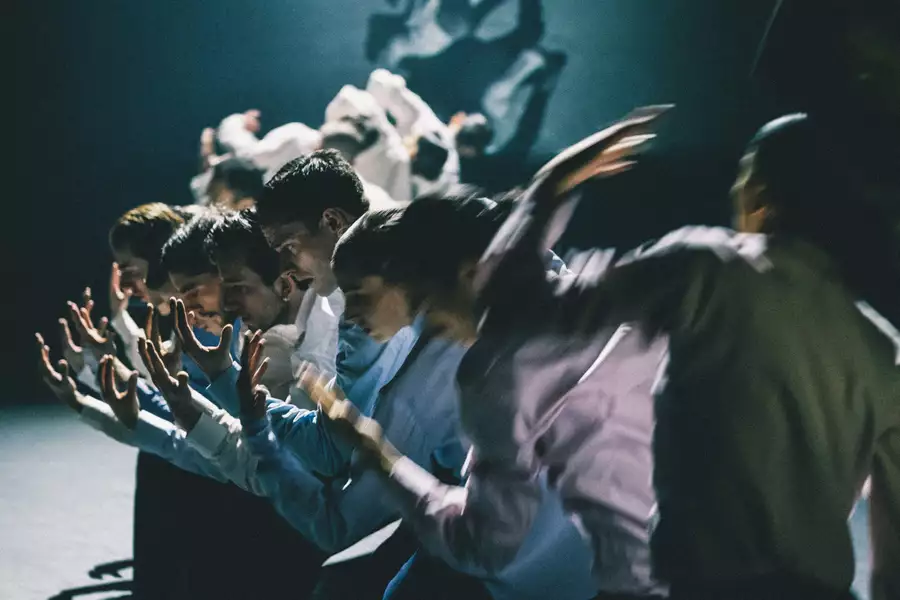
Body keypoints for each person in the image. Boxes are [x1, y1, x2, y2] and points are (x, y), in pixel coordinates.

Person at [478, 111, 900, 600]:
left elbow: (521, 311)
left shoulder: (709, 266)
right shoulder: (882, 347)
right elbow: (892, 570)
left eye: (741, 178)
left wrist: (548, 186)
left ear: (759, 194)